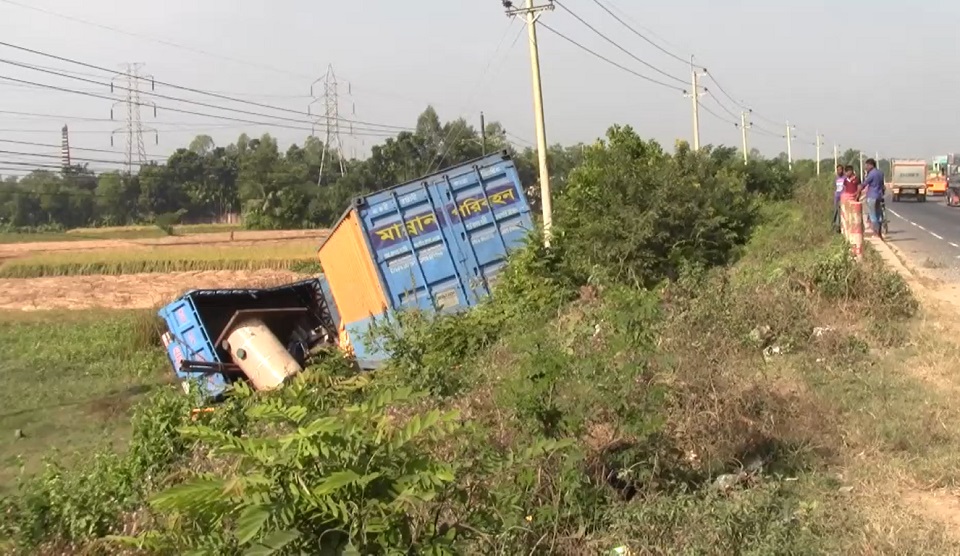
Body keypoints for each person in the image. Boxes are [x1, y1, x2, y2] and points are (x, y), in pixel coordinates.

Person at [862, 158, 885, 239]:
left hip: (872, 196)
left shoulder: (871, 174)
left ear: (871, 165)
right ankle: (879, 232)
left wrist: (857, 192)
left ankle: (875, 233)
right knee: (878, 214)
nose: (866, 167)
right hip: (879, 196)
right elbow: (882, 185)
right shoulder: (880, 173)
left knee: (872, 215)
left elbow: (865, 184)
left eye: (867, 166)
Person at [832, 164, 845, 232]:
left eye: (840, 169)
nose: (839, 171)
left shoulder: (845, 178)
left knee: (841, 211)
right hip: (836, 196)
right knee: (835, 211)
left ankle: (839, 226)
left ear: (842, 170)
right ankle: (834, 224)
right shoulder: (836, 178)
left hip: (842, 196)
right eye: (838, 170)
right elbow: (834, 187)